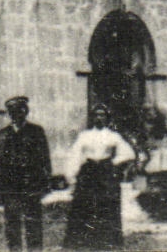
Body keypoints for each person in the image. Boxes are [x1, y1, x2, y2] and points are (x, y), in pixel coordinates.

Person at [62, 105, 137, 250]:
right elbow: (75, 155)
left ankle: (106, 240)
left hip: (105, 173)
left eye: (102, 115)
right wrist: (71, 174)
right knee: (84, 204)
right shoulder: (85, 135)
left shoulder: (113, 136)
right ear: (92, 117)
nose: (99, 118)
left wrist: (112, 163)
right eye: (96, 115)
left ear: (107, 118)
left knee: (107, 205)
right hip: (88, 172)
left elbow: (129, 154)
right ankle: (84, 240)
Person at [0, 96, 55, 251]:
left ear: (25, 112)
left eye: (20, 111)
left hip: (31, 185)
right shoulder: (3, 134)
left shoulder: (36, 132)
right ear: (9, 114)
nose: (16, 115)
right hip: (10, 187)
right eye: (12, 112)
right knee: (12, 224)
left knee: (33, 223)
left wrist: (46, 182)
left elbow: (44, 159)